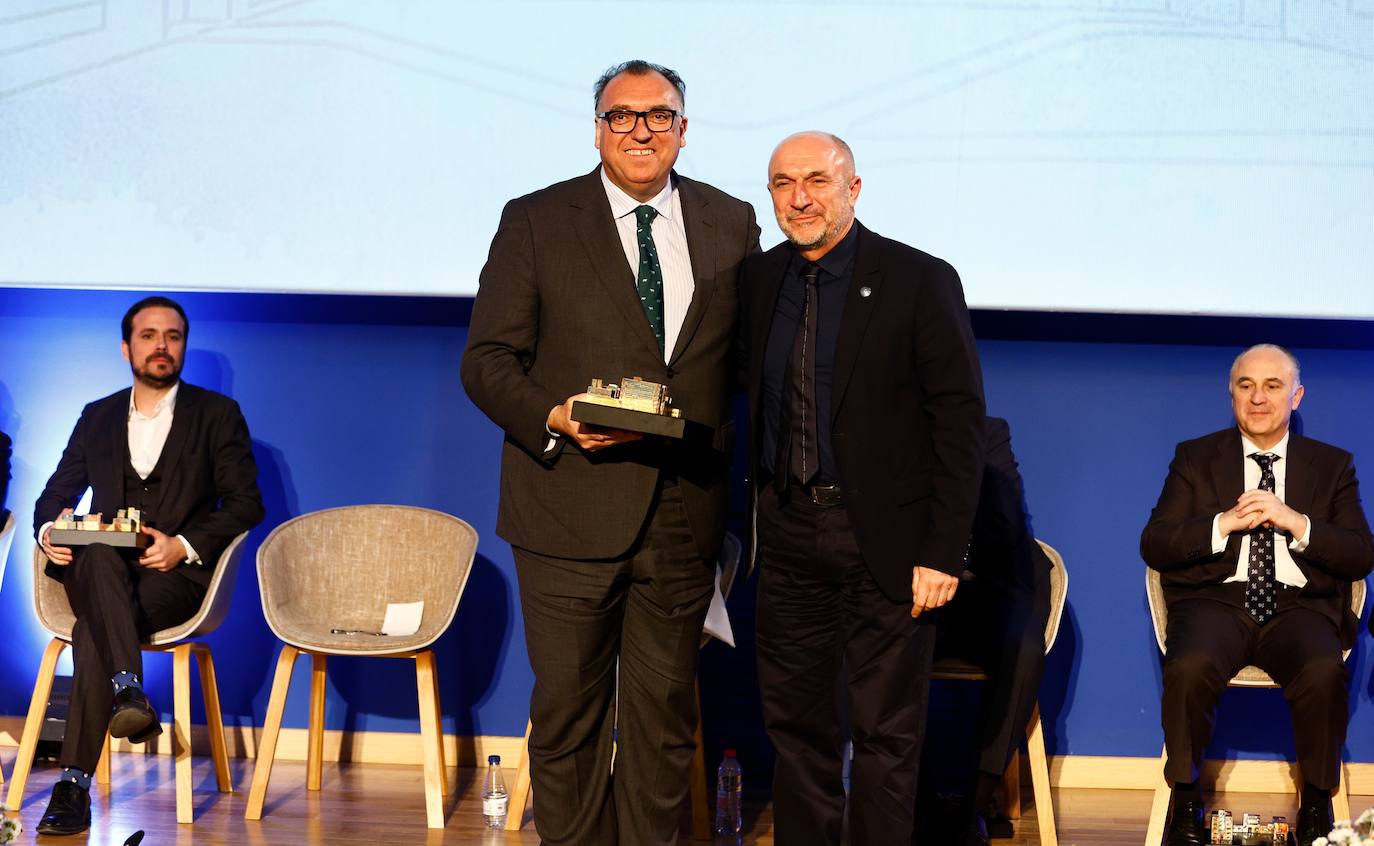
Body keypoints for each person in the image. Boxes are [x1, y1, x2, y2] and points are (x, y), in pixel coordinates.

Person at [460, 59, 759, 846]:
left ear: (683, 131)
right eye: (622, 116)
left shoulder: (732, 222)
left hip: (685, 512)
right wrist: (552, 415)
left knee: (665, 723)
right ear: (597, 130)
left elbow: (743, 370)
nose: (640, 130)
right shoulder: (535, 219)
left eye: (658, 116)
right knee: (568, 718)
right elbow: (486, 361)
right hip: (567, 505)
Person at [740, 131, 985, 846]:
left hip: (886, 541)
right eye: (783, 183)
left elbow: (959, 422)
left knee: (886, 733)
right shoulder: (758, 282)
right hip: (786, 536)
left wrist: (943, 551)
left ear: (854, 187)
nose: (800, 198)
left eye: (817, 180)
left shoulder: (918, 278)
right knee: (795, 727)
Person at [32, 296, 264, 836]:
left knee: (95, 627)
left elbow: (246, 501)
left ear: (182, 346)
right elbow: (54, 495)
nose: (161, 345)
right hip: (95, 570)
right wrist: (50, 533)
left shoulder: (217, 415)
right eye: (148, 335)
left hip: (171, 579)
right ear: (126, 347)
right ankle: (128, 691)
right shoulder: (97, 416)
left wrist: (183, 544)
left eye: (173, 335)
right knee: (95, 548)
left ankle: (72, 787)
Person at [1141, 344, 1374, 846]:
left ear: (1296, 396)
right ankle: (1185, 805)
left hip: (1298, 606)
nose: (1258, 398)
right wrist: (1222, 524)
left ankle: (1315, 805)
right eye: (1246, 385)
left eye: (1272, 386)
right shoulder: (1196, 457)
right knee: (1188, 665)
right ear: (1232, 394)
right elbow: (1155, 542)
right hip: (1216, 600)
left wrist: (1298, 523)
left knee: (1322, 670)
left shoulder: (1331, 466)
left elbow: (1360, 554)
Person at [925, 416, 1052, 845]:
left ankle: (973, 805)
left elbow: (1005, 523)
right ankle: (916, 801)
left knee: (1023, 648)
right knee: (885, 650)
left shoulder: (986, 432)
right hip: (913, 588)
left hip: (984, 586)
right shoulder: (885, 432)